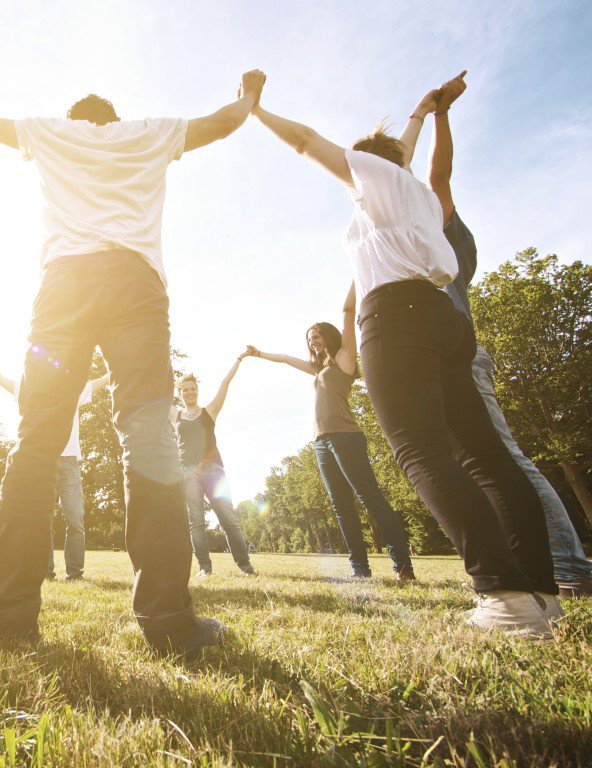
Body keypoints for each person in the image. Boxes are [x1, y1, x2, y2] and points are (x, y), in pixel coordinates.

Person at [0, 69, 262, 657]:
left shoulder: (53, 133)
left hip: (64, 287)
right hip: (134, 285)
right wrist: (249, 95)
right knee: (150, 441)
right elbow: (223, 124)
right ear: (112, 116)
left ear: (77, 118)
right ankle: (167, 621)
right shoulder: (148, 134)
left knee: (36, 441)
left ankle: (8, 613)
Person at [244, 69, 560, 637]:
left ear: (366, 165)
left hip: (395, 318)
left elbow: (306, 141)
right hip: (445, 317)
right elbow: (409, 152)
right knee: (487, 457)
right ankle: (539, 593)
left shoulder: (371, 177)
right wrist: (428, 109)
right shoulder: (411, 188)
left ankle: (506, 597)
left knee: (421, 454)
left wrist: (256, 108)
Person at [403, 72, 592, 599]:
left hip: (460, 360)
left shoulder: (441, 228)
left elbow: (437, 177)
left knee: (503, 459)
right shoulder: (418, 245)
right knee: (481, 463)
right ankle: (538, 560)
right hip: (440, 361)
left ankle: (571, 567)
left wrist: (438, 115)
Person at [246, 285, 415, 580]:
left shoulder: (345, 359)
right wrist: (258, 354)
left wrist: (356, 274)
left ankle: (403, 566)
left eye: (317, 336)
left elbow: (347, 312)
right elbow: (287, 358)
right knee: (341, 507)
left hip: (346, 437)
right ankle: (360, 570)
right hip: (322, 442)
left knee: (370, 498)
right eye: (309, 339)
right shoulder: (318, 369)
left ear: (328, 336)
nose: (313, 342)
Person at [0, 345, 110, 581]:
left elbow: (102, 380)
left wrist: (119, 358)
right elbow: (0, 379)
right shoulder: (29, 389)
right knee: (43, 519)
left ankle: (75, 572)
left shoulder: (72, 389)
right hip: (43, 459)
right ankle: (46, 571)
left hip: (69, 460)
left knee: (75, 519)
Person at [171, 355, 256, 578]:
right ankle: (204, 568)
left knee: (229, 520)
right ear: (180, 393)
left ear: (197, 391)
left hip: (214, 471)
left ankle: (245, 566)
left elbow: (224, 384)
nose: (189, 392)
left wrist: (238, 360)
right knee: (196, 522)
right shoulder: (175, 415)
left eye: (193, 389)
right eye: (185, 390)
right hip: (189, 473)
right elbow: (154, 396)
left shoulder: (210, 412)